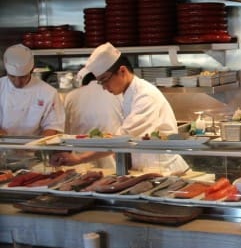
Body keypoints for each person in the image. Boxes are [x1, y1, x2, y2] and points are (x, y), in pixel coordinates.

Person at [51, 42, 188, 173]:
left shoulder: (145, 96)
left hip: (165, 170)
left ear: (122, 71)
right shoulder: (128, 93)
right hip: (146, 169)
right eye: (100, 82)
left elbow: (123, 138)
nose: (104, 87)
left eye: (105, 80)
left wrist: (80, 158)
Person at [0, 44, 64, 136]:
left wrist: (41, 147)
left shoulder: (48, 92)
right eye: (12, 76)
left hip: (33, 148)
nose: (17, 82)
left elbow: (53, 126)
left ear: (32, 70)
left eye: (23, 77)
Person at [63, 72, 123, 169]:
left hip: (79, 156)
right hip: (111, 153)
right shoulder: (117, 93)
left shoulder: (71, 95)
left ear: (83, 84)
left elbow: (65, 130)